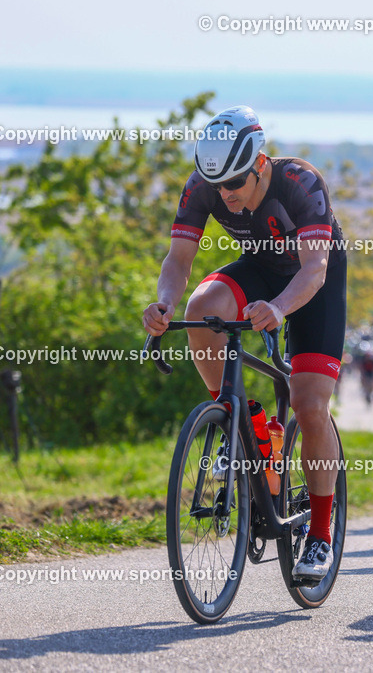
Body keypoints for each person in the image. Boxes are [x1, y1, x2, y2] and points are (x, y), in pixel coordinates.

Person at [142, 106, 345, 580]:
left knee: (309, 403)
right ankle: (246, 420)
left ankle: (320, 534)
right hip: (259, 267)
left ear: (259, 164)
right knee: (200, 308)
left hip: (314, 282)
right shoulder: (203, 185)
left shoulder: (300, 183)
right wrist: (164, 303)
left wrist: (278, 308)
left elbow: (314, 270)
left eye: (235, 184)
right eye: (218, 186)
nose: (226, 195)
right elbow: (177, 261)